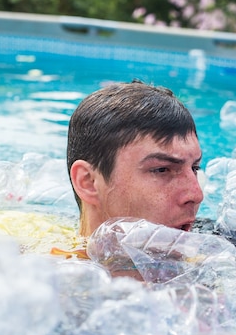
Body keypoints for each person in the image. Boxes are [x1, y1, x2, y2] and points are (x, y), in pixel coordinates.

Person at [67, 80, 204, 237]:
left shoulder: (227, 249)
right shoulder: (42, 257)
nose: (196, 195)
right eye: (162, 170)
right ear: (88, 182)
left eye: (195, 168)